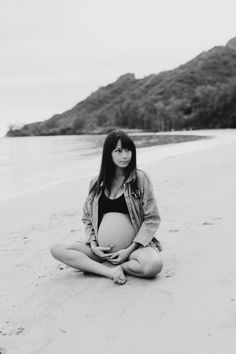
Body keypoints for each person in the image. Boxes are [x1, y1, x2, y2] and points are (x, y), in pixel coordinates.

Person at [50, 130, 163, 285]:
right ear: (108, 154)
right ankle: (109, 271)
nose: (125, 156)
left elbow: (152, 219)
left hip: (133, 251)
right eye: (118, 151)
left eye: (128, 150)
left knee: (154, 265)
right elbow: (87, 218)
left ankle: (117, 267)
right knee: (57, 249)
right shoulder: (96, 183)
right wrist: (94, 246)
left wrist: (128, 250)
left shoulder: (140, 178)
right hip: (101, 253)